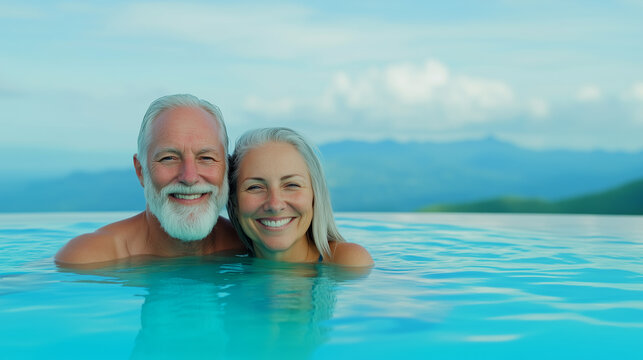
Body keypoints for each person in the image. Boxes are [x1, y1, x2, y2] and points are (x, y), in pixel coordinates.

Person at [55, 94, 244, 265]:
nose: (189, 177)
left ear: (226, 169)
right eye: (168, 158)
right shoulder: (88, 259)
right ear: (140, 171)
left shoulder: (249, 248)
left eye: (206, 158)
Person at [227, 127, 373, 267]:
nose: (275, 205)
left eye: (292, 185)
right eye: (255, 187)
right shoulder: (222, 266)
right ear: (234, 201)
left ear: (315, 195)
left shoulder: (349, 263)